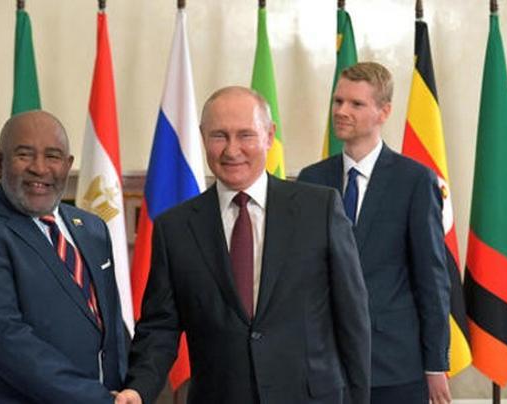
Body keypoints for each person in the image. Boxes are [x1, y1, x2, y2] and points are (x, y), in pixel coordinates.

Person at [115, 86, 370, 404]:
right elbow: (160, 327)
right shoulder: (175, 228)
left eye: (245, 135)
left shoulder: (319, 209)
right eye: (219, 136)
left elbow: (352, 318)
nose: (232, 150)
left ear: (269, 136)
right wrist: (138, 389)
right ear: (202, 137)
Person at [0, 110, 126, 403]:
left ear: (68, 165)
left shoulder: (92, 229)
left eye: (53, 156)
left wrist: (131, 389)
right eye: (25, 155)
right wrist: (99, 400)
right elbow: (7, 342)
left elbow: (111, 327)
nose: (40, 168)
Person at [298, 62, 452, 404]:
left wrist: (435, 364)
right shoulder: (311, 180)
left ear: (384, 112)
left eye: (356, 104)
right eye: (338, 101)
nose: (341, 111)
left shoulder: (415, 181)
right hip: (324, 364)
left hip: (394, 364)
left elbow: (432, 278)